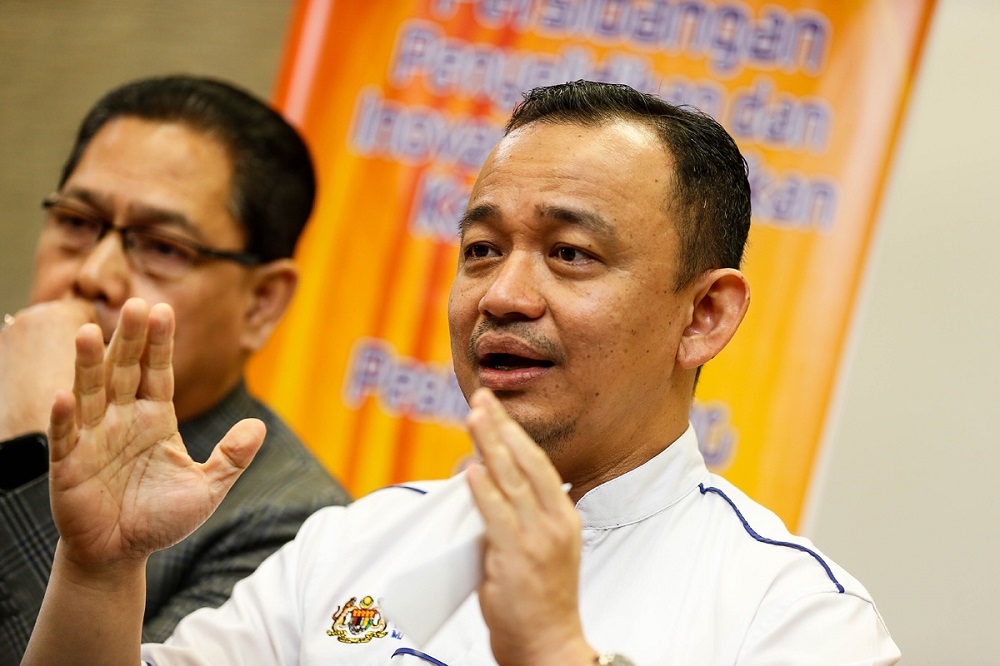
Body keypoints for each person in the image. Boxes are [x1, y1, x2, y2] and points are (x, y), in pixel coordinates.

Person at [22, 80, 899, 665]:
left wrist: (555, 652)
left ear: (704, 316)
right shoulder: (353, 544)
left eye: (570, 253)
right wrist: (100, 570)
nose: (503, 295)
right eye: (481, 249)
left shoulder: (795, 617)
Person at [0, 75, 350, 663]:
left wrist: (27, 455)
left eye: (162, 247)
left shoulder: (293, 526)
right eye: (77, 222)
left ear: (262, 303)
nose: (93, 273)